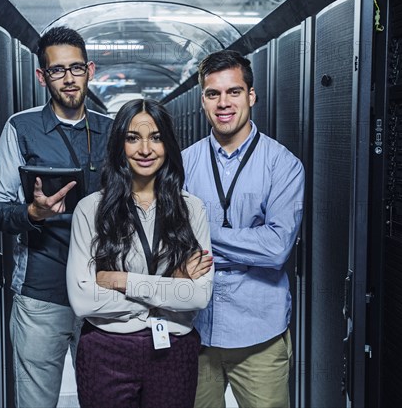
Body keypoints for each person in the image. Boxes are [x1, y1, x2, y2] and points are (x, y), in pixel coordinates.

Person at [0, 26, 113, 407]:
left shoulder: (113, 130)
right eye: (57, 70)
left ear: (90, 70)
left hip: (104, 292)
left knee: (108, 399)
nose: (69, 78)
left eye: (76, 68)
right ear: (42, 76)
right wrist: (32, 213)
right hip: (42, 294)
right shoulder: (20, 128)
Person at [66, 98, 214, 408]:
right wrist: (171, 285)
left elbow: (198, 297)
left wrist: (122, 280)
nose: (145, 149)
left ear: (167, 144)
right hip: (106, 350)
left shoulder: (192, 209)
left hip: (173, 350)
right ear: (120, 144)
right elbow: (83, 301)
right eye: (133, 138)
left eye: (156, 137)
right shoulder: (90, 209)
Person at [182, 50, 305, 408]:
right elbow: (172, 241)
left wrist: (202, 232)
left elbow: (276, 247)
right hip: (195, 330)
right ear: (203, 100)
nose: (224, 103)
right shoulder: (183, 163)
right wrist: (246, 241)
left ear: (251, 96)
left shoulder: (283, 165)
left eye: (234, 92)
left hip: (259, 335)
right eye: (213, 93)